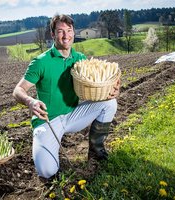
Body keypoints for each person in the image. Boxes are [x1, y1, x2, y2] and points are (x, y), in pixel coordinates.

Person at [13, 14, 120, 179]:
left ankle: (96, 151)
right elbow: (18, 90)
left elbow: (95, 86)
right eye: (60, 31)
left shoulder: (80, 60)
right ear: (53, 34)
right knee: (47, 171)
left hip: (73, 115)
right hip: (48, 120)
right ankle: (49, 149)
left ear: (73, 32)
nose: (66, 35)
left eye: (69, 31)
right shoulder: (40, 62)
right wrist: (30, 101)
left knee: (110, 103)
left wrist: (112, 91)